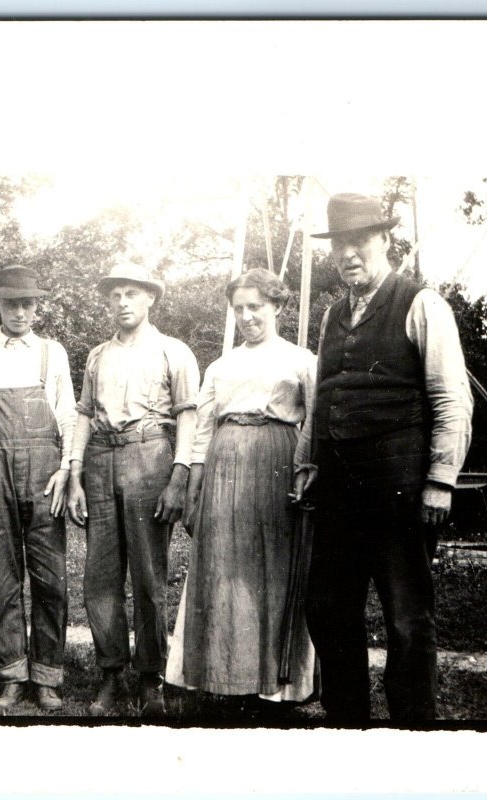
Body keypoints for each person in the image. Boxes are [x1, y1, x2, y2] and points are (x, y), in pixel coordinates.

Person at [294, 193, 473, 723]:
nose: (348, 254)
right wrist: (308, 464)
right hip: (338, 493)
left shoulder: (421, 304)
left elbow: (451, 398)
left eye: (359, 242)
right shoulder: (333, 315)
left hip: (398, 491)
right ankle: (348, 721)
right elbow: (322, 398)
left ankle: (412, 727)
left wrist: (440, 479)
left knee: (407, 620)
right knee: (327, 610)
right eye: (340, 245)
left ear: (385, 241)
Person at [172, 268, 316, 709]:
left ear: (277, 306)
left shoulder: (302, 359)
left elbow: (314, 421)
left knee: (272, 568)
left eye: (256, 306)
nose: (248, 316)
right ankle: (223, 675)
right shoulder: (221, 364)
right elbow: (200, 433)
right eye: (239, 308)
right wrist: (194, 491)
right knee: (225, 568)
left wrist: (303, 469)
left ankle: (279, 683)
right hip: (225, 467)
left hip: (278, 463)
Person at [67, 263, 200, 717]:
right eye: (115, 295)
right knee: (100, 576)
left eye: (131, 293)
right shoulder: (97, 354)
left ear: (150, 298)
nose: (122, 302)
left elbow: (187, 415)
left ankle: (150, 677)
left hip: (150, 454)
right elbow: (84, 414)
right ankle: (111, 675)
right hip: (101, 458)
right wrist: (74, 475)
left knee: (147, 575)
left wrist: (179, 475)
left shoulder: (173, 351)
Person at [0, 265, 75, 714]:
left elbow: (67, 415)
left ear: (36, 306)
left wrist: (67, 469)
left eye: (27, 303)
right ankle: (11, 674)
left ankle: (47, 677)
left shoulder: (53, 353)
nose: (20, 312)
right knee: (3, 581)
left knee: (50, 580)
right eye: (12, 304)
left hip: (45, 474)